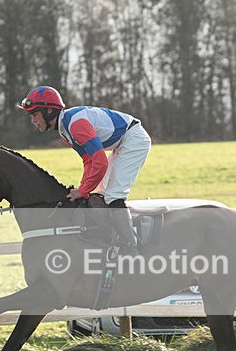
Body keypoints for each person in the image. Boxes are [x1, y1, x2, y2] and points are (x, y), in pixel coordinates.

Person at [16, 85, 151, 256]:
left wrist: (84, 190)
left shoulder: (75, 125)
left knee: (114, 195)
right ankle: (116, 240)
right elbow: (89, 160)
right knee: (103, 193)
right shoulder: (65, 130)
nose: (33, 120)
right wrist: (83, 189)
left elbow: (100, 161)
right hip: (122, 141)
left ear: (49, 110)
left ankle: (132, 249)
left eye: (34, 114)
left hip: (134, 139)